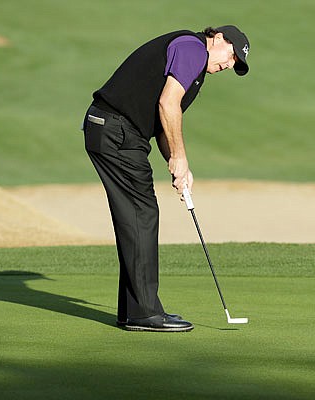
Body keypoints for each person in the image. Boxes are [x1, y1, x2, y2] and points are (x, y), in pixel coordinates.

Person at [82, 26, 250, 332]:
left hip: (114, 130)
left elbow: (163, 125)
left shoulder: (196, 66)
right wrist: (181, 157)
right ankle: (144, 313)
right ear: (219, 39)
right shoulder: (193, 49)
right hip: (117, 131)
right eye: (231, 55)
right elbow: (168, 104)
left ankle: (133, 311)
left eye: (235, 64)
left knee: (137, 215)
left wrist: (177, 166)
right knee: (141, 214)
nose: (229, 64)